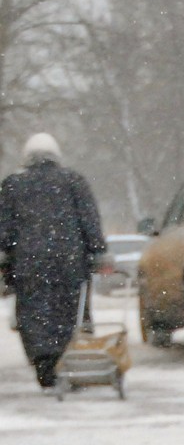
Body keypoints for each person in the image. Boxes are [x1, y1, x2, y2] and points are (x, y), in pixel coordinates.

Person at [0, 133, 108, 390]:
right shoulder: (73, 182)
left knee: (34, 316)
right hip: (70, 262)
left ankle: (45, 367)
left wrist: (5, 259)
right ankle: (74, 360)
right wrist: (98, 251)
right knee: (72, 312)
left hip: (28, 263)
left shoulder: (13, 185)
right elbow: (89, 220)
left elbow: (4, 227)